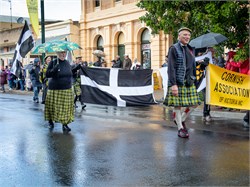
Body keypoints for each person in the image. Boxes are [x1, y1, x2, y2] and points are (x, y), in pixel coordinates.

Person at [163, 27, 201, 138]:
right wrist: (173, 84)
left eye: (188, 35)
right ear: (179, 36)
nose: (187, 37)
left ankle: (181, 119)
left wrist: (201, 64)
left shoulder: (190, 49)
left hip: (189, 82)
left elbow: (190, 65)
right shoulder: (173, 48)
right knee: (178, 106)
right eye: (184, 35)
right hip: (178, 82)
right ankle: (180, 128)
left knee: (195, 103)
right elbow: (171, 68)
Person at [45, 50, 79, 132]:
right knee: (52, 107)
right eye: (61, 53)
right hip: (55, 89)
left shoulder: (67, 62)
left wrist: (76, 69)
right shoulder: (53, 62)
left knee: (66, 108)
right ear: (57, 53)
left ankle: (65, 124)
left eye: (64, 52)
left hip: (67, 88)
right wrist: (54, 69)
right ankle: (50, 122)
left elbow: (69, 73)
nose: (63, 54)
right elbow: (47, 74)